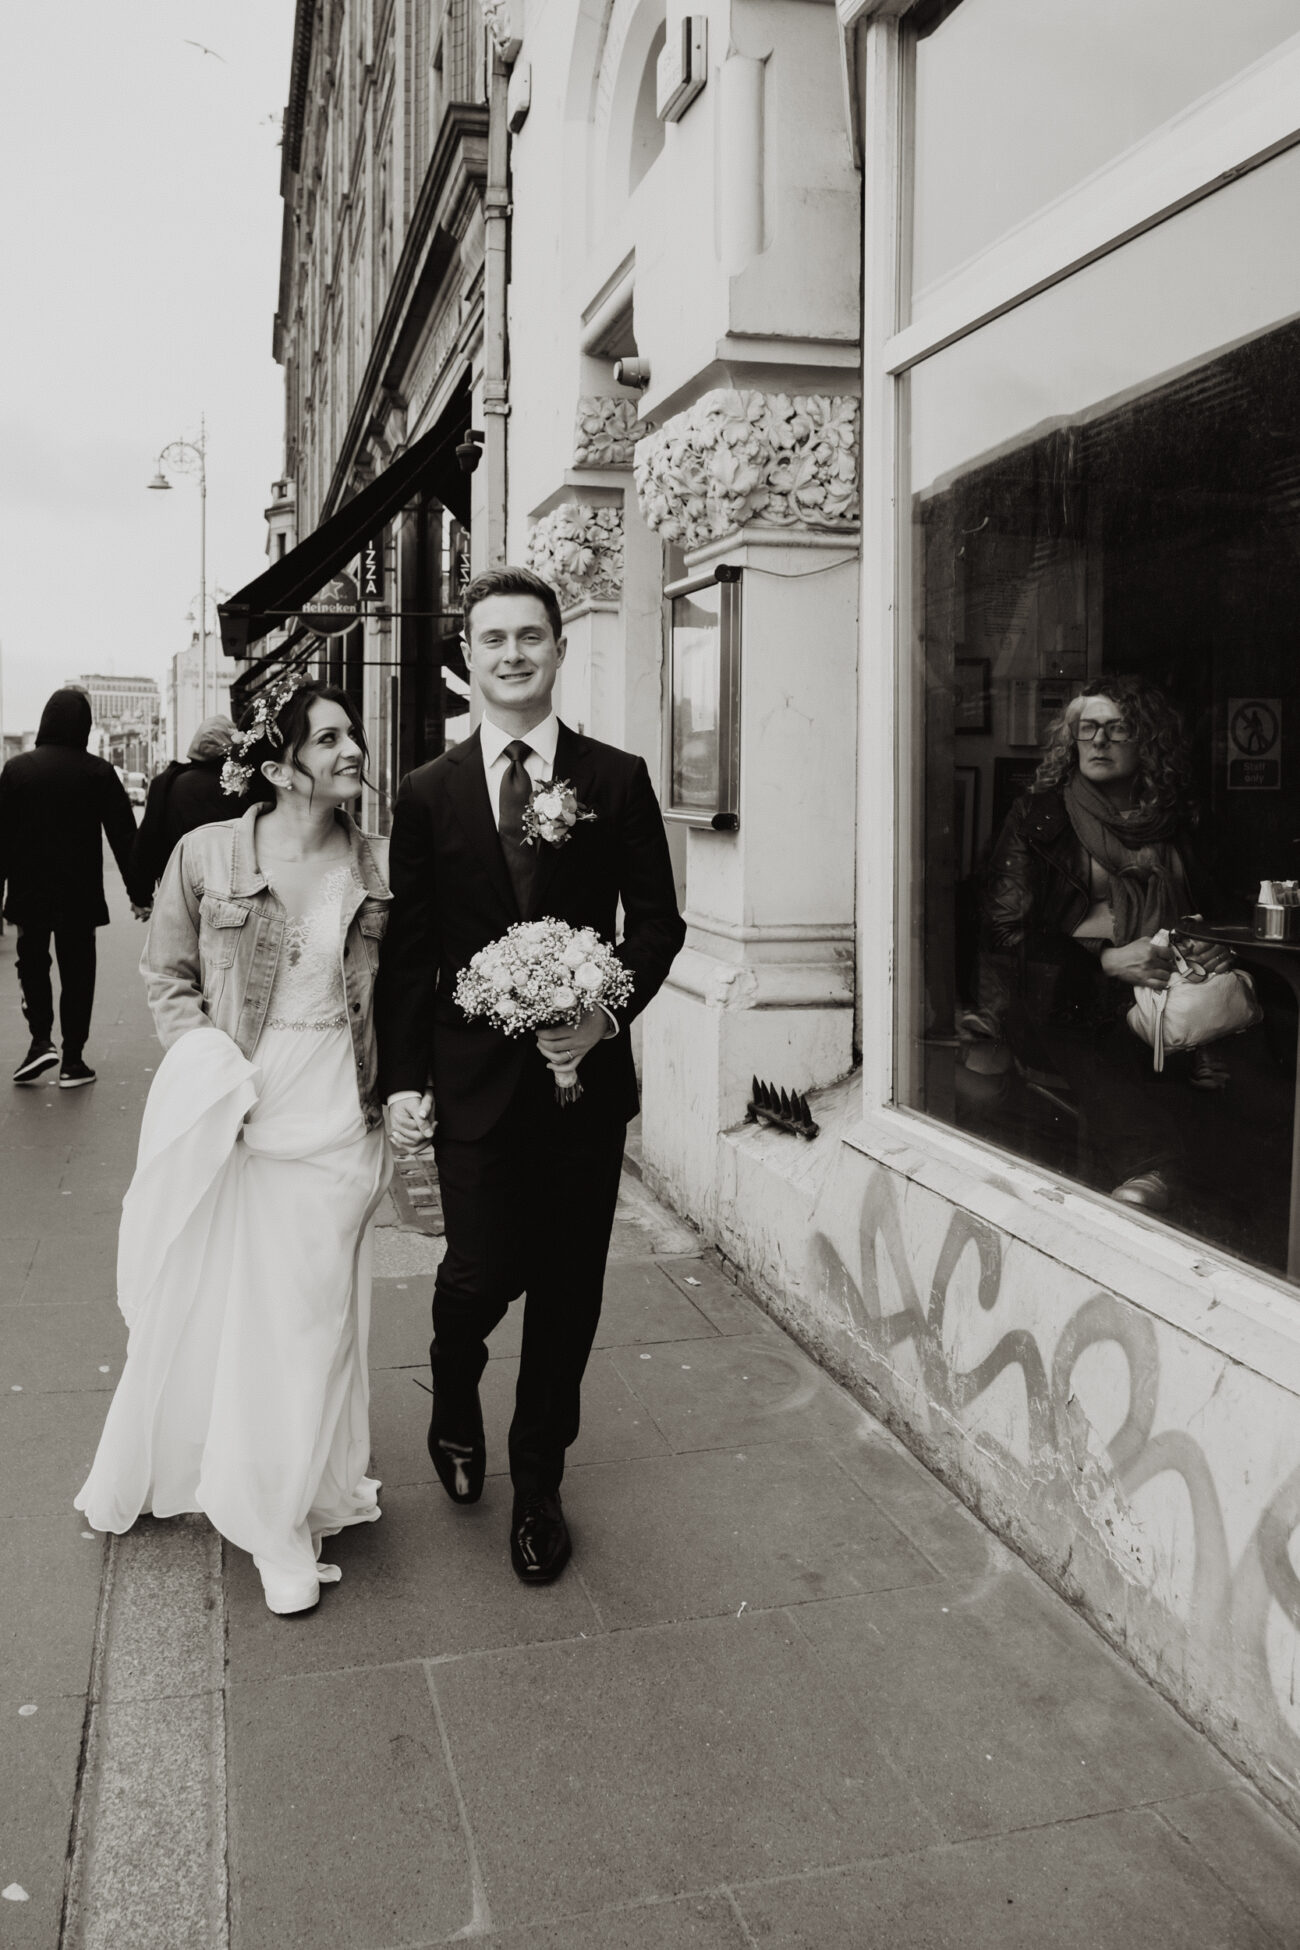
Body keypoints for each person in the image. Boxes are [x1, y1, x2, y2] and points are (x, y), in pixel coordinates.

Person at [376, 565, 686, 1584]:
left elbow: (659, 922)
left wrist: (603, 1016)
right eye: (493, 639)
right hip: (470, 1081)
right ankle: (455, 1385)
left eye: (530, 637)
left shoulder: (615, 777)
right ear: (469, 660)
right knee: (474, 1275)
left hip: (582, 1088)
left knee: (568, 1289)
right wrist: (404, 1080)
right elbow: (410, 948)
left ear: (558, 650)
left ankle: (537, 1479)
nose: (512, 654)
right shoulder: (426, 794)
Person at [76, 679, 393, 1616]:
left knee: (314, 1315)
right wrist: (213, 1077)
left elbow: (402, 991)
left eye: (354, 737)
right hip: (243, 1107)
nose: (352, 753)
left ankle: (286, 1502)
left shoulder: (379, 863)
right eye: (329, 738)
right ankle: (264, 1506)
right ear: (281, 761)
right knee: (230, 1307)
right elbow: (167, 978)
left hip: (340, 1110)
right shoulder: (205, 854)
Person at [980, 673, 1235, 1213]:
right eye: (1087, 728)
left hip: (1172, 982)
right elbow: (1003, 933)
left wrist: (1211, 943)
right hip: (1057, 993)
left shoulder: (1179, 819)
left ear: (1149, 741)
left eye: (1117, 730)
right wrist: (1104, 959)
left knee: (1262, 1019)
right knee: (1092, 1016)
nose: (1098, 741)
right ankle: (1152, 1166)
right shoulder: (1040, 815)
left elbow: (1215, 910)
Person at [0, 685, 146, 1089]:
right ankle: (73, 1061)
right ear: (85, 725)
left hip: (29, 892)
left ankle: (40, 1040)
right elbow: (124, 837)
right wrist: (139, 894)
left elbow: (2, 839)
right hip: (78, 895)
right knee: (78, 973)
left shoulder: (17, 770)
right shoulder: (98, 772)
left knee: (32, 964)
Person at [129, 714, 246, 903]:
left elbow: (147, 843)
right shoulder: (242, 786)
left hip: (180, 891)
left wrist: (140, 897)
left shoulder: (167, 784)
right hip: (233, 892)